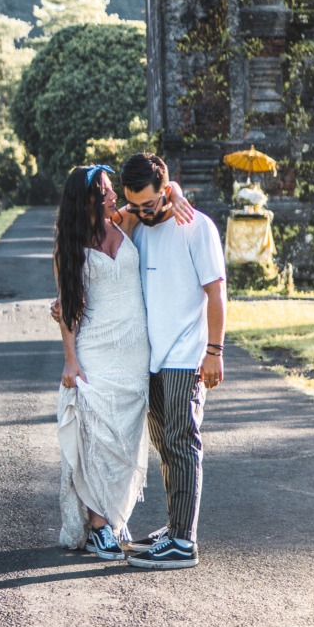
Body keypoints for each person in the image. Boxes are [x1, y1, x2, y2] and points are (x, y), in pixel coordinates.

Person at [54, 163, 193, 561]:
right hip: (96, 353)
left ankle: (114, 516)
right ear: (89, 200)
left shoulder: (124, 221)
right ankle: (99, 527)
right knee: (99, 437)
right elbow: (68, 308)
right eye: (108, 191)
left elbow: (165, 191)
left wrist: (178, 193)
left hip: (135, 354)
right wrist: (69, 360)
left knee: (127, 440)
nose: (116, 196)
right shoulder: (71, 247)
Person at [114, 151, 227, 571]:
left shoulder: (196, 226)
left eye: (150, 202)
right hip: (151, 359)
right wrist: (145, 208)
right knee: (165, 445)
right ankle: (176, 524)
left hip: (185, 355)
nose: (143, 211)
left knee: (182, 441)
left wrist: (214, 351)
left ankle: (184, 541)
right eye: (135, 204)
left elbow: (216, 292)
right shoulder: (138, 227)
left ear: (166, 188)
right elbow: (107, 224)